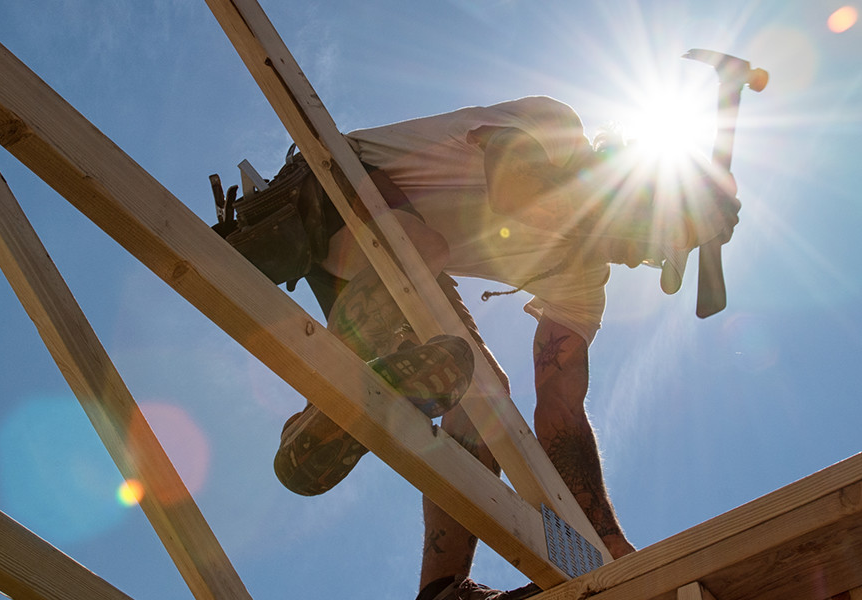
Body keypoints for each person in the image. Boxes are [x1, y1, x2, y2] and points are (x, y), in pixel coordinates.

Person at [234, 96, 739, 600]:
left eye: (654, 258)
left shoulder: (581, 280)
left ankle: (441, 590)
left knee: (483, 396)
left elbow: (561, 411)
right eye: (651, 240)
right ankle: (320, 406)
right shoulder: (555, 130)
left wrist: (606, 539)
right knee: (418, 250)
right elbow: (515, 190)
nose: (639, 259)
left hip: (384, 262)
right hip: (326, 187)